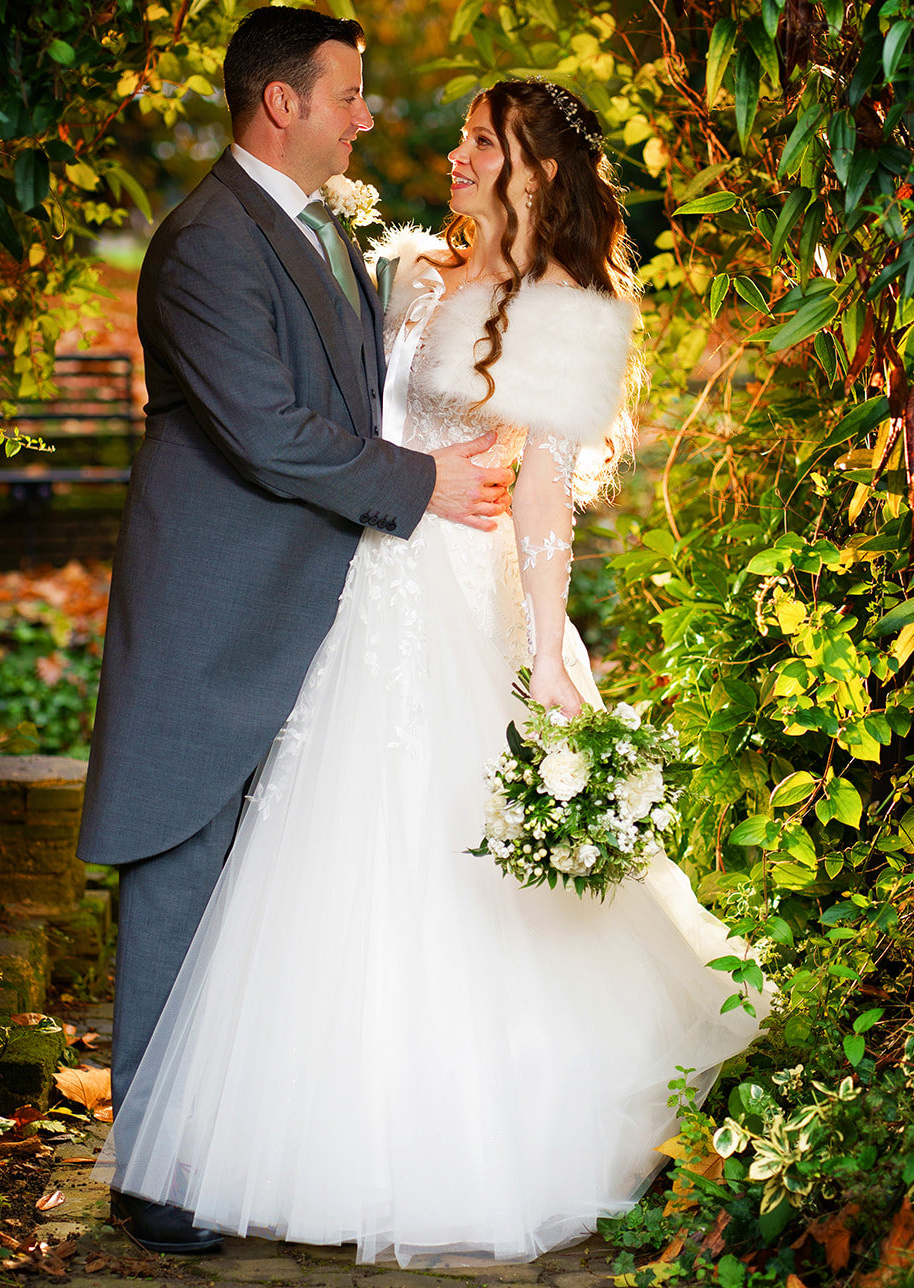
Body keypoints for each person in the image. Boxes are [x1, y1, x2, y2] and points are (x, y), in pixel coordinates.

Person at [96, 78, 768, 1266]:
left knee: (453, 849)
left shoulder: (567, 307)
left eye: (478, 142)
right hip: (352, 592)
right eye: (458, 134)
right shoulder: (409, 273)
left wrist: (548, 650)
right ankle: (290, 1128)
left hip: (462, 598)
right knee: (318, 847)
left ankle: (460, 1136)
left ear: (536, 174)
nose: (451, 154)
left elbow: (547, 489)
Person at [78, 8, 514, 1254]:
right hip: (213, 606)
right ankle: (156, 1173)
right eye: (350, 96)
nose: (367, 116)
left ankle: (237, 1135)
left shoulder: (317, 231)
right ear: (284, 104)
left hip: (315, 602)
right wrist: (420, 486)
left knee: (264, 881)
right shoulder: (209, 241)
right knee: (180, 858)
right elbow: (268, 428)